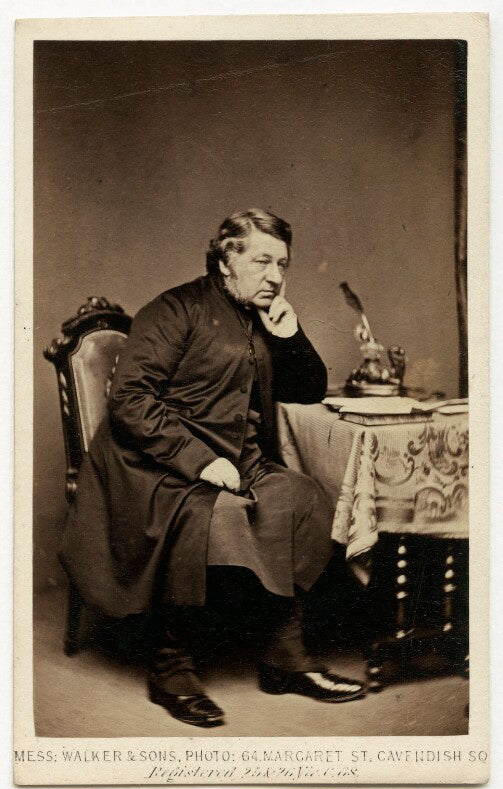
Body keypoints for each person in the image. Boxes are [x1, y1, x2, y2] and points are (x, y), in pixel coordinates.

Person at [60, 208, 366, 728]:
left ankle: (285, 656)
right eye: (263, 262)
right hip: (153, 465)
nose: (275, 276)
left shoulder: (261, 316)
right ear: (226, 260)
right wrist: (200, 461)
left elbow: (307, 389)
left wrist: (290, 336)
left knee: (301, 496)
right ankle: (170, 667)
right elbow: (130, 400)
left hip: (237, 460)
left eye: (283, 265)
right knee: (218, 516)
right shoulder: (174, 309)